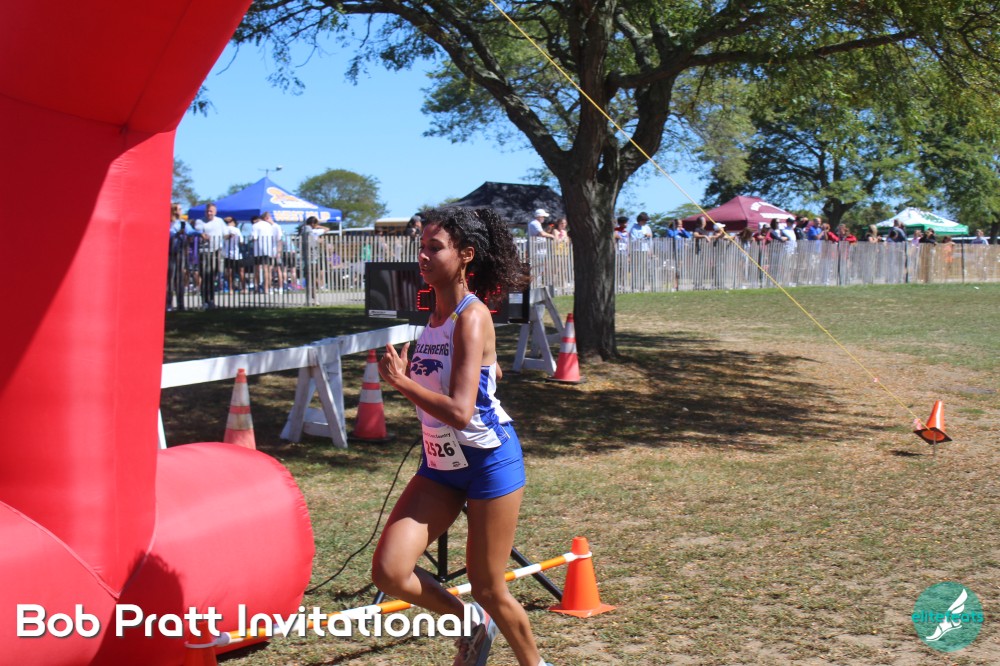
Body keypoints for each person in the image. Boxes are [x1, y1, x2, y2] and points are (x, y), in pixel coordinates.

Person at [373, 207, 552, 666]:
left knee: (489, 586)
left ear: (465, 255)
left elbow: (459, 411)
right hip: (441, 466)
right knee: (390, 571)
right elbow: (484, 375)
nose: (423, 256)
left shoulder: (471, 316)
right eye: (422, 247)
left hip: (489, 463)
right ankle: (469, 623)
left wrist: (402, 382)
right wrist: (482, 370)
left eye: (435, 248)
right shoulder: (434, 317)